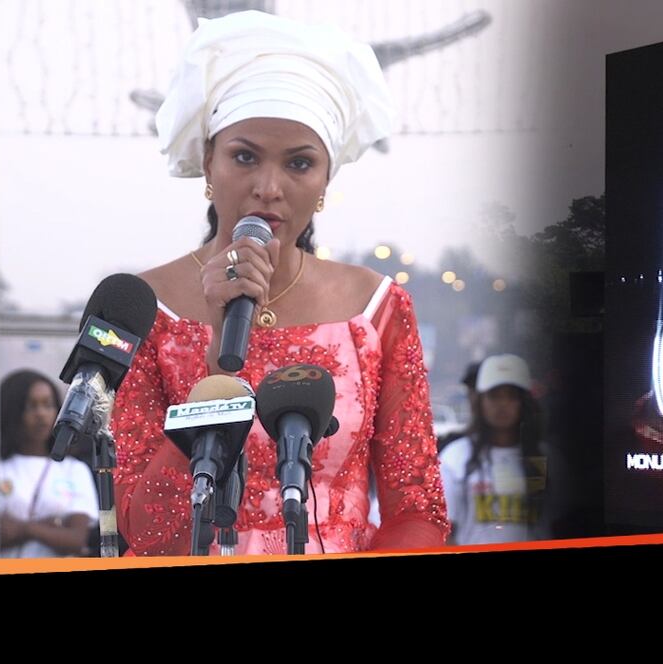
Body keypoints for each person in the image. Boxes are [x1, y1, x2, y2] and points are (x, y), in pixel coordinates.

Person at [110, 11, 448, 555]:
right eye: (244, 157)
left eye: (299, 164)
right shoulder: (142, 307)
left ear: (326, 179)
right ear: (208, 163)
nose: (268, 187)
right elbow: (148, 533)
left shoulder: (375, 308)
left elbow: (417, 510)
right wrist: (218, 367)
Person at [439, 354, 548, 545]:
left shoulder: (549, 458)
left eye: (511, 396)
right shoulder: (454, 458)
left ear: (524, 403)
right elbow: (446, 532)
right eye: (494, 396)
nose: (502, 404)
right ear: (480, 401)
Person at [0, 370, 99, 558]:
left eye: (48, 405)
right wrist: (52, 527)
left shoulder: (74, 470)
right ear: (12, 411)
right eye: (31, 406)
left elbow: (76, 540)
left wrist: (25, 529)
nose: (41, 414)